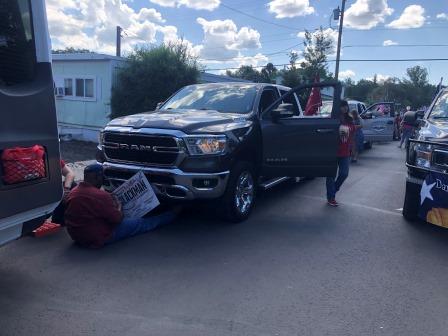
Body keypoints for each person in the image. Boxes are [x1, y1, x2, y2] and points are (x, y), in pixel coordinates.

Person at [64, 164, 177, 248]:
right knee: (141, 223)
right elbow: (118, 219)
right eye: (102, 177)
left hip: (77, 236)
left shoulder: (74, 191)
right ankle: (172, 214)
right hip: (97, 238)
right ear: (98, 177)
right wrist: (118, 205)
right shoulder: (100, 196)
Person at [326, 100, 361, 207]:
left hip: (345, 152)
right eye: (342, 106)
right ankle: (331, 197)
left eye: (345, 106)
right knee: (330, 176)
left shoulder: (350, 118)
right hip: (332, 151)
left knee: (344, 174)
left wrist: (356, 128)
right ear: (338, 107)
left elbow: (351, 132)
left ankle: (333, 190)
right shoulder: (332, 118)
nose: (344, 108)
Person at [50, 160, 76, 225]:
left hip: (50, 190)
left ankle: (58, 222)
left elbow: (70, 173)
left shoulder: (50, 156)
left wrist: (66, 189)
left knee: (72, 185)